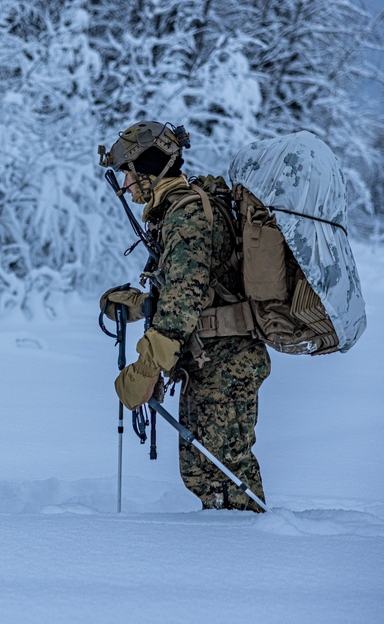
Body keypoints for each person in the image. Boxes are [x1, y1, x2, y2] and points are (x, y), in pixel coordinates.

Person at [99, 121, 270, 512]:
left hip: (227, 364)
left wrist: (146, 370)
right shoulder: (174, 212)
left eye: (129, 172)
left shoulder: (187, 215)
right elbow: (193, 290)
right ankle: (221, 557)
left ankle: (254, 550)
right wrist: (143, 304)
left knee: (226, 472)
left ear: (149, 168)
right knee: (202, 471)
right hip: (210, 361)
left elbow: (183, 304)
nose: (125, 184)